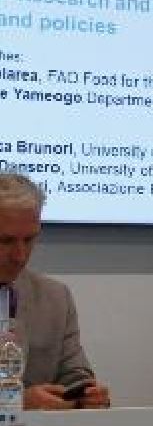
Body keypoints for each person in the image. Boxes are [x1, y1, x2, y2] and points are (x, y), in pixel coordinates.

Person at [0, 173, 111, 410]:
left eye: (29, 240)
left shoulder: (55, 298)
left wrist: (85, 395)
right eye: (6, 241)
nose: (20, 256)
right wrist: (15, 403)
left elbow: (74, 373)